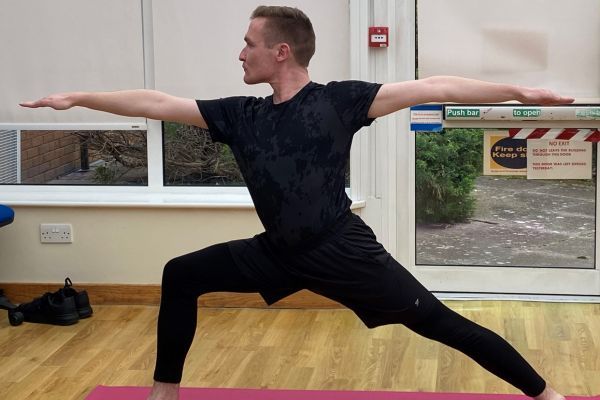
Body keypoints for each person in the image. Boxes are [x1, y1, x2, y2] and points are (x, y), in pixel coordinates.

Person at [20, 6, 573, 400]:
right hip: (278, 251)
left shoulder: (339, 101)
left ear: (280, 51)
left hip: (340, 250)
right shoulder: (242, 114)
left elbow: (434, 88)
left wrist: (520, 93)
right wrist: (77, 97)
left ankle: (546, 395)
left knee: (440, 324)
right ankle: (164, 392)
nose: (240, 53)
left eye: (249, 43)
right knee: (181, 273)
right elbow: (160, 102)